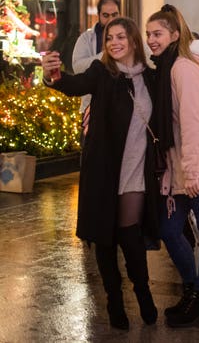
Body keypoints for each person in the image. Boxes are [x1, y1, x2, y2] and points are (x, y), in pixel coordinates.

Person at [41, 17, 159, 330]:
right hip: (105, 167)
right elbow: (72, 85)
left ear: (134, 40)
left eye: (121, 37)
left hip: (136, 169)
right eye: (109, 38)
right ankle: (113, 300)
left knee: (130, 233)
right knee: (106, 237)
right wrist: (53, 75)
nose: (114, 43)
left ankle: (143, 292)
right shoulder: (101, 72)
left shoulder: (151, 77)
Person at [146, 4, 199, 328]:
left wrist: (192, 172)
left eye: (157, 34)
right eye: (148, 34)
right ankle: (195, 293)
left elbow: (193, 123)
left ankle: (198, 298)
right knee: (169, 229)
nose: (151, 40)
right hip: (181, 166)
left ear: (174, 35)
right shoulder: (167, 68)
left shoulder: (184, 68)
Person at [72, 0, 121, 139]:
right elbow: (78, 67)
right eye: (106, 15)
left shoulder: (129, 37)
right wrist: (104, 55)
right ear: (99, 15)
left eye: (115, 15)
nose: (111, 19)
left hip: (119, 106)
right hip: (92, 106)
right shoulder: (86, 38)